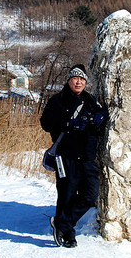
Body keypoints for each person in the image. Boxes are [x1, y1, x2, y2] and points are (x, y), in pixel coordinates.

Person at [40, 64, 108, 248]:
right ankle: (68, 234)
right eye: (75, 78)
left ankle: (63, 222)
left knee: (91, 194)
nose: (78, 82)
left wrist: (100, 118)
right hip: (66, 155)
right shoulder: (57, 100)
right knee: (67, 194)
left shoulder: (91, 100)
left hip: (87, 155)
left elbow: (101, 123)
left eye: (82, 79)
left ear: (85, 82)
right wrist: (67, 123)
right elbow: (45, 123)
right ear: (69, 80)